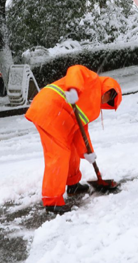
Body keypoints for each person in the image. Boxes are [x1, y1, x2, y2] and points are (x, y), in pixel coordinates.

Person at [25, 65, 122, 214]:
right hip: (49, 108)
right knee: (59, 155)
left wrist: (88, 152)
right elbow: (75, 70)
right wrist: (73, 89)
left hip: (60, 119)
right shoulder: (93, 80)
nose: (105, 102)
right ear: (109, 90)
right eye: (109, 99)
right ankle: (52, 201)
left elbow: (81, 132)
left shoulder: (92, 108)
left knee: (72, 150)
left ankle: (73, 184)